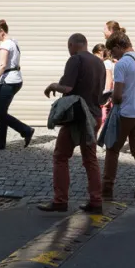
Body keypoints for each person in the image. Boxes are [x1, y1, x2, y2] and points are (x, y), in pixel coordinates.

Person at [37, 33, 105, 213]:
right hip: (95, 115)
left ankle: (60, 200)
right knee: (90, 159)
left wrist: (52, 86)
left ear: (72, 45)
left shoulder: (76, 59)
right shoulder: (99, 62)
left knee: (60, 156)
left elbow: (67, 88)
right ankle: (96, 201)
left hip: (79, 116)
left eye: (68, 47)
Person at [102, 33, 135, 202]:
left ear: (118, 46)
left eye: (112, 51)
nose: (112, 55)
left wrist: (110, 97)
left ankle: (107, 189)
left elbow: (118, 96)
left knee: (112, 149)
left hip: (126, 113)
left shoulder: (122, 64)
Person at [0, 20, 33, 150]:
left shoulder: (6, 44)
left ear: (2, 31)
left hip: (8, 81)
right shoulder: (13, 42)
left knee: (0, 113)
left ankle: (26, 130)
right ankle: (0, 142)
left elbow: (2, 65)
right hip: (15, 79)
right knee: (2, 112)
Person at [92, 43, 113, 127]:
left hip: (105, 95)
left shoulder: (106, 63)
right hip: (105, 95)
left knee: (103, 118)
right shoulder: (102, 63)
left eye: (99, 54)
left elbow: (109, 80)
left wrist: (105, 97)